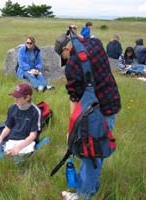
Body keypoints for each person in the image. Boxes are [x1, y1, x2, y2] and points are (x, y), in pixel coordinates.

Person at [55, 28, 121, 200]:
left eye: (63, 57)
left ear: (66, 49)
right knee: (97, 151)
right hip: (111, 104)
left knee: (90, 154)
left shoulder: (73, 66)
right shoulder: (96, 44)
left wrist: (71, 129)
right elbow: (86, 39)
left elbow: (75, 99)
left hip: (95, 115)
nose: (65, 61)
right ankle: (88, 187)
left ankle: (84, 195)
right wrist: (77, 35)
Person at [0, 83, 42, 156]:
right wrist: (1, 138)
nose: (15, 99)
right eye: (14, 96)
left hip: (26, 141)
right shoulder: (12, 108)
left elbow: (33, 135)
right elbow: (8, 127)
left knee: (19, 159)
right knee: (2, 155)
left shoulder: (35, 111)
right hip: (12, 139)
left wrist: (18, 148)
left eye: (18, 97)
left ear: (27, 98)